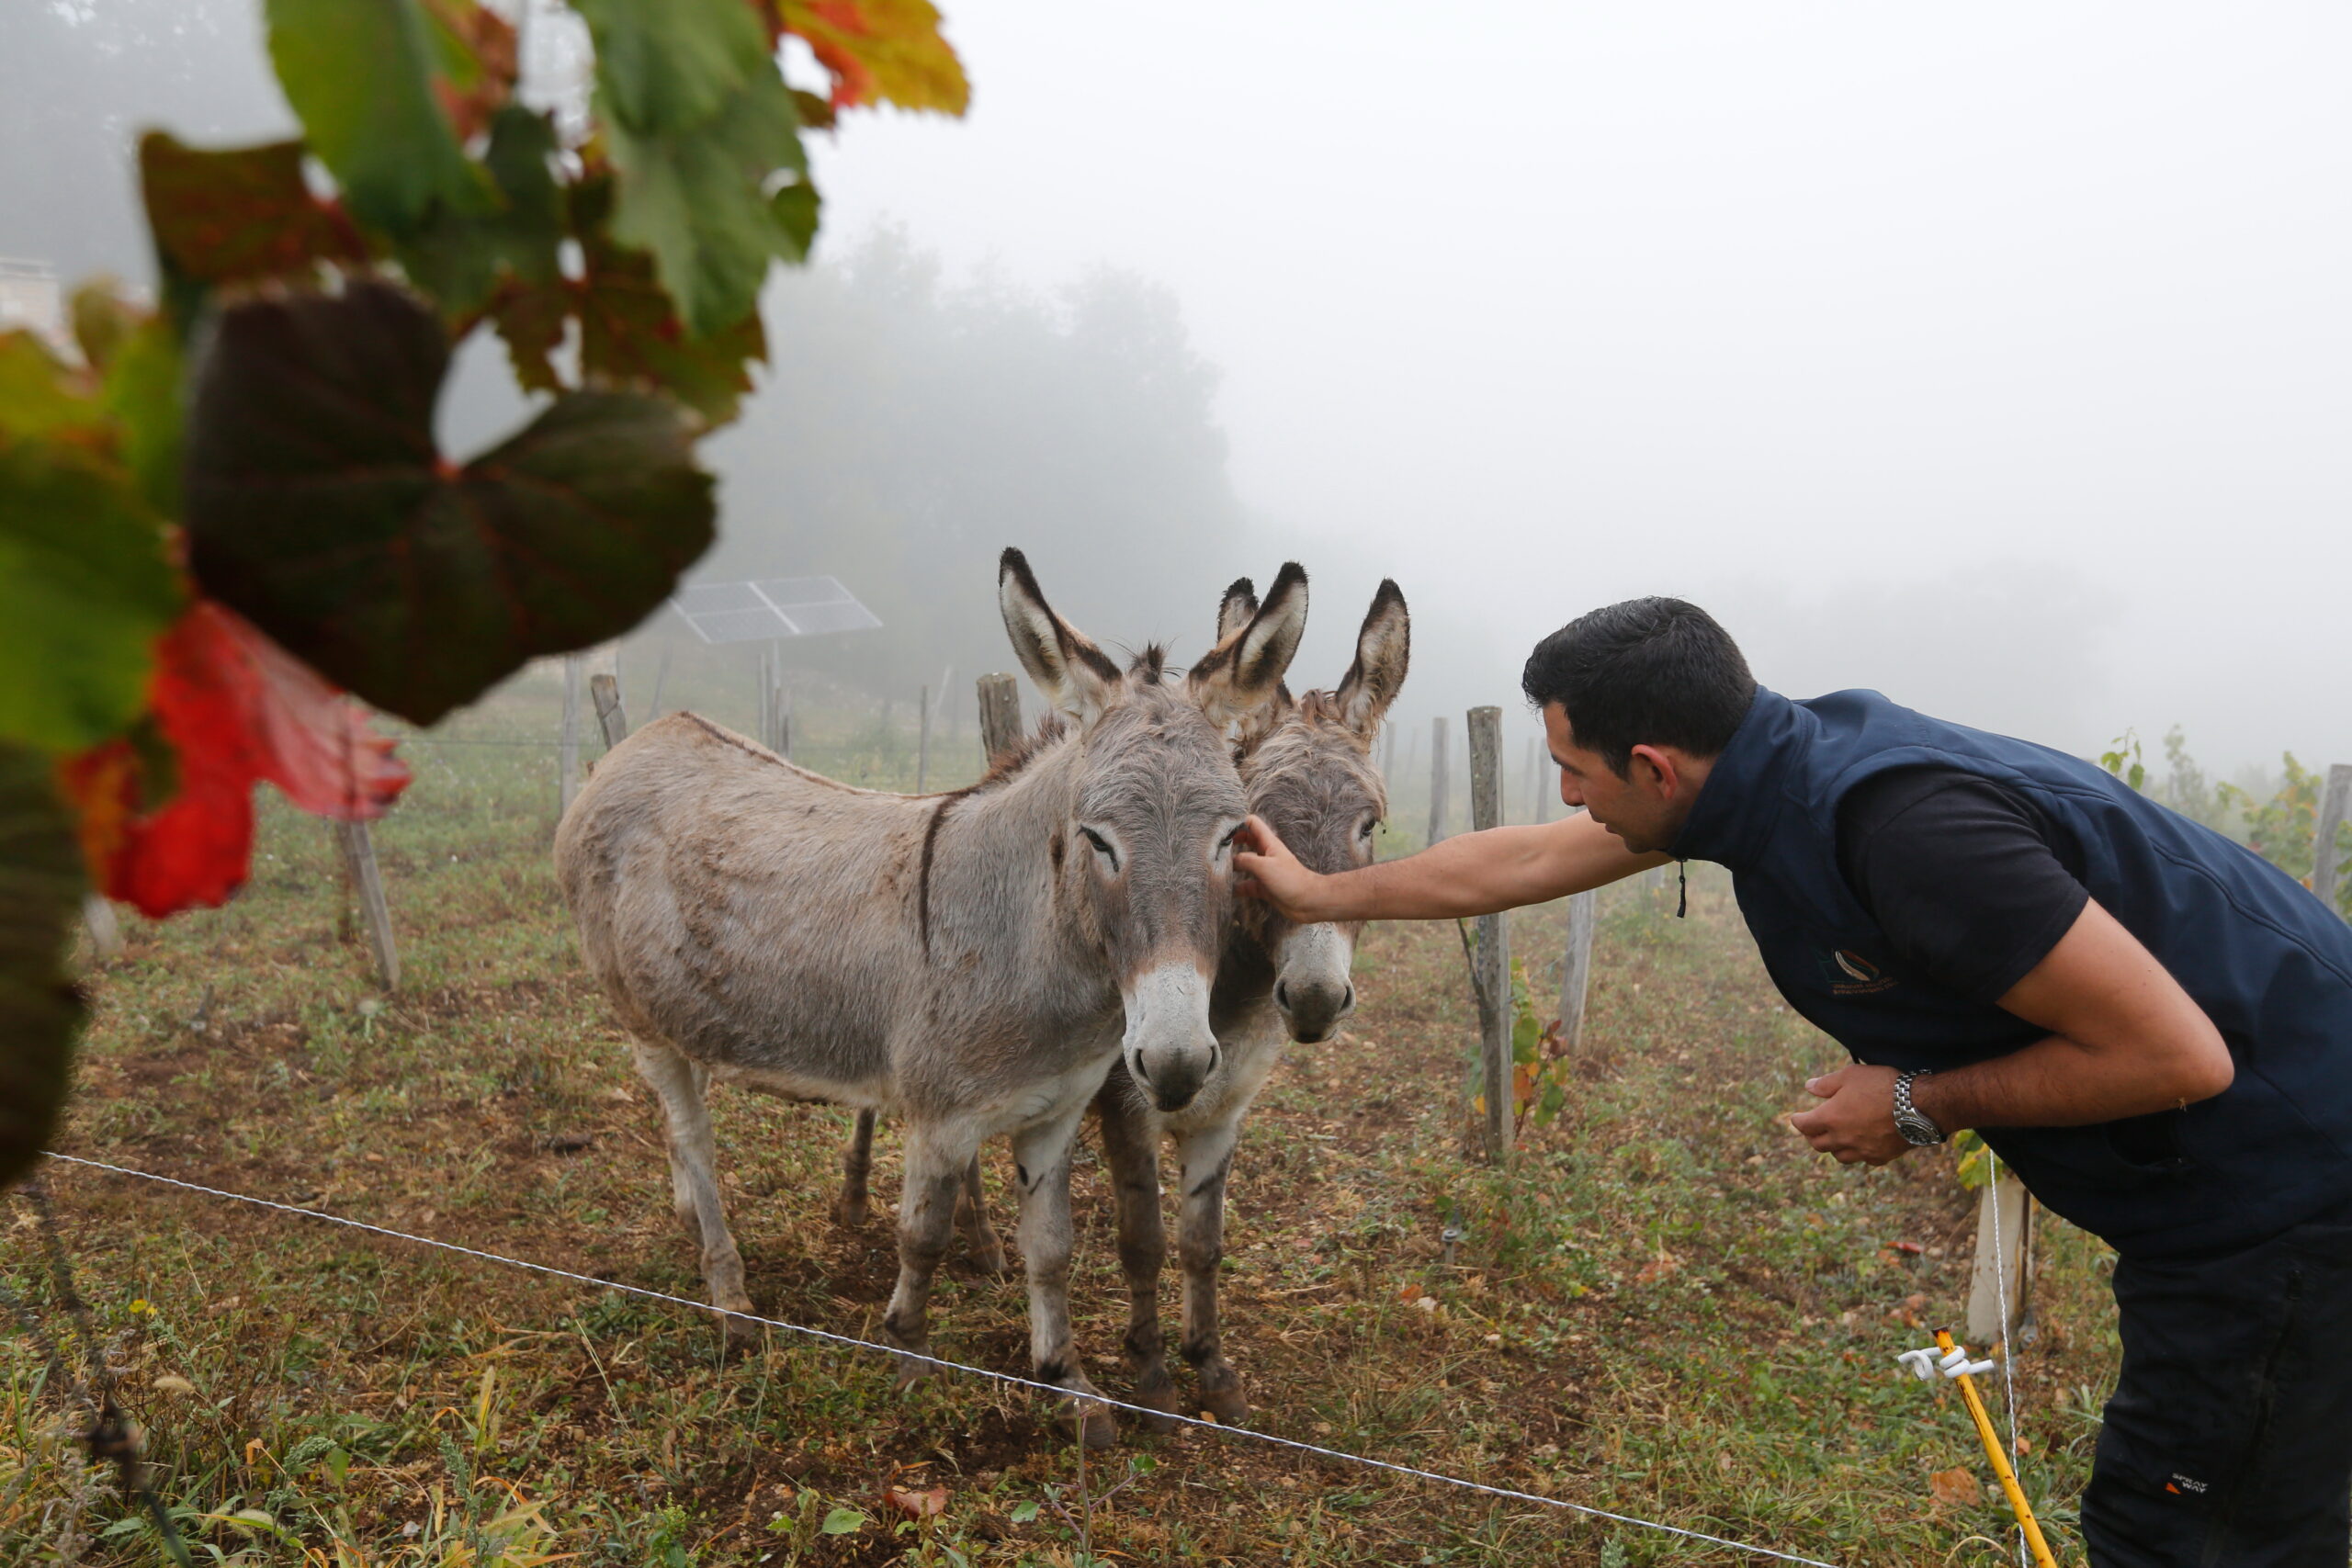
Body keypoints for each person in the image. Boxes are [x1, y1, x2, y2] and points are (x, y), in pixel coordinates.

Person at [1233, 596, 2352, 1568]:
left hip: (2290, 1194)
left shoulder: (1904, 831)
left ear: (1654, 769)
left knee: (2195, 1535)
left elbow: (2175, 1056)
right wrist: (1317, 894)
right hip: (2247, 1181)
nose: (1571, 801)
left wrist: (1918, 1103)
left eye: (1575, 774)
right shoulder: (1762, 770)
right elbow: (1524, 859)